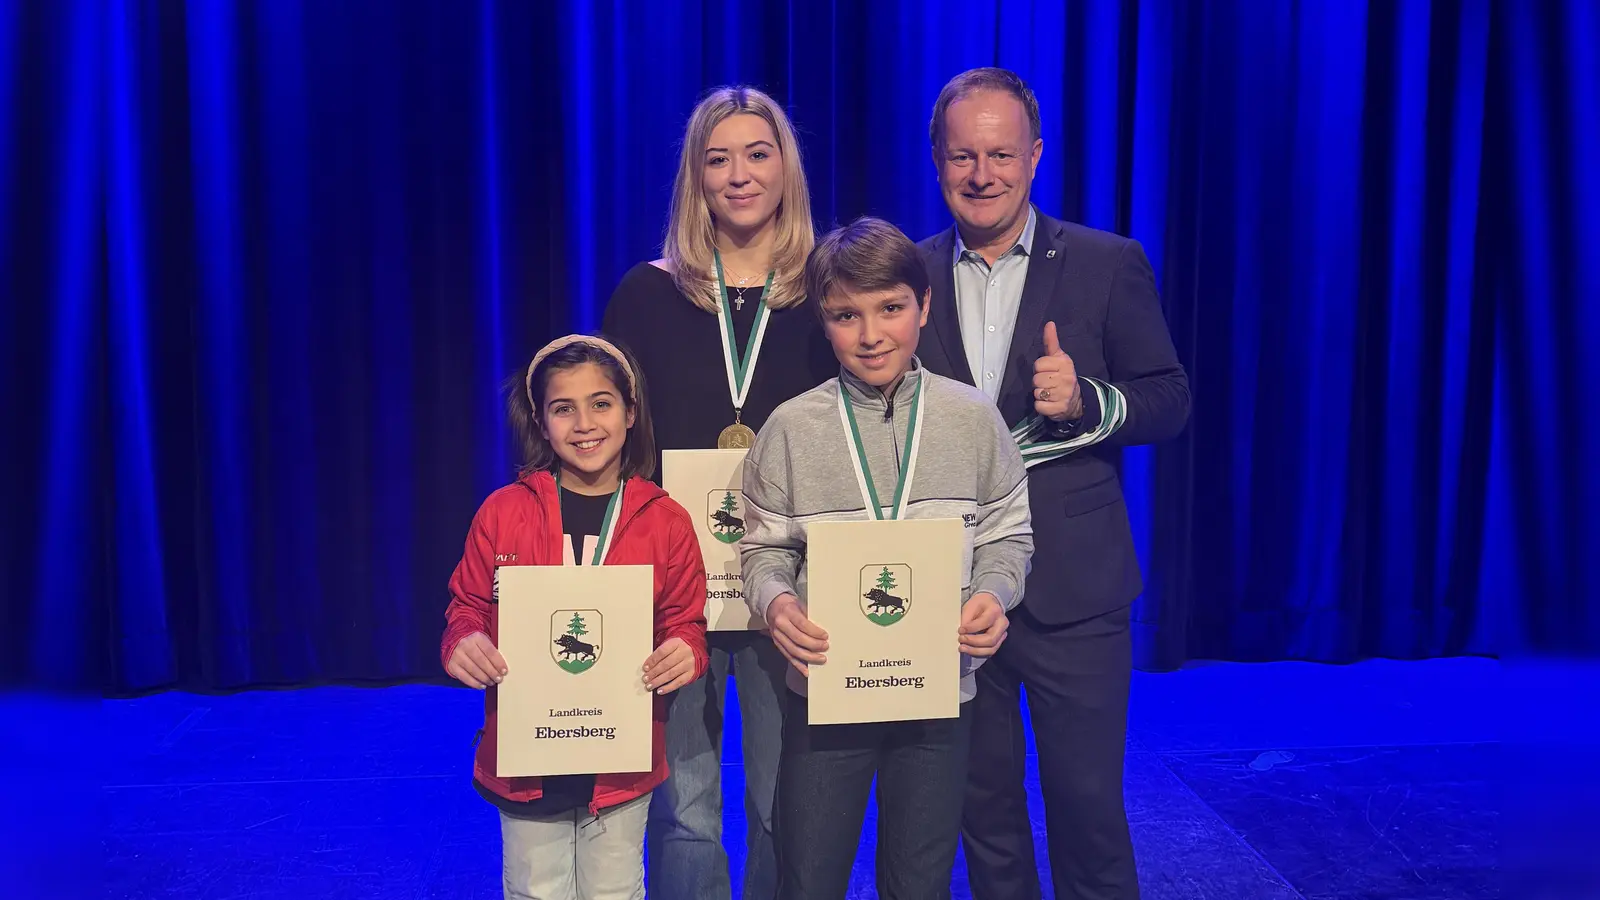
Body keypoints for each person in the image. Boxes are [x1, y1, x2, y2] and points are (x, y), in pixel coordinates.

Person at [915, 68, 1191, 900]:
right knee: (983, 814)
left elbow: (1169, 399)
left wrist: (1086, 402)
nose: (982, 174)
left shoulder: (1108, 263)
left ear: (1035, 158)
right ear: (938, 161)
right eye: (963, 155)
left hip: (1076, 590)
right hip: (955, 593)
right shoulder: (907, 277)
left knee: (1087, 809)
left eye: (1001, 154)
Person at [738, 217, 1035, 898]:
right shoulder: (790, 428)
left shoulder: (973, 418)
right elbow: (764, 549)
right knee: (809, 877)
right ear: (824, 320)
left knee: (920, 879)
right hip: (826, 693)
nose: (871, 335)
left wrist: (993, 591)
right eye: (847, 315)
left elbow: (1007, 533)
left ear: (924, 307)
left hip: (938, 692)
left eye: (891, 309)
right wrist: (777, 602)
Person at [601, 85, 834, 900]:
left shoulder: (828, 292)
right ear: (695, 178)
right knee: (687, 812)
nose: (739, 175)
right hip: (675, 596)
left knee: (782, 805)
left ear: (786, 168)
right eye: (718, 158)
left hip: (792, 589)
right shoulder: (646, 293)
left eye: (758, 153)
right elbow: (612, 443)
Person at [441, 334, 711, 900]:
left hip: (620, 758)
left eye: (602, 403)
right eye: (564, 408)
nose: (584, 423)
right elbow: (465, 607)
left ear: (630, 412)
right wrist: (462, 639)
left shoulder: (666, 520)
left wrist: (685, 651)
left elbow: (687, 622)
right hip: (527, 758)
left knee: (614, 890)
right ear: (541, 422)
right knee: (537, 889)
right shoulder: (502, 512)